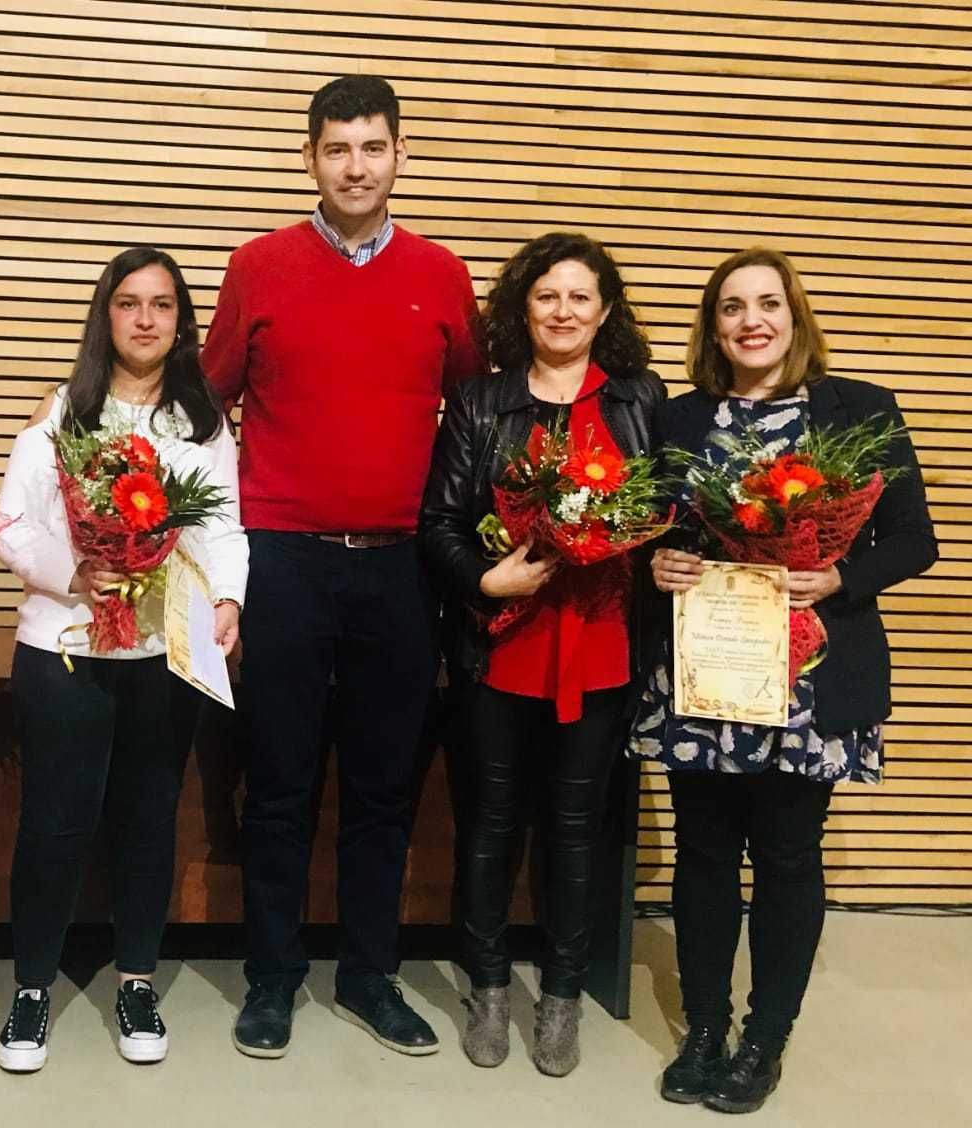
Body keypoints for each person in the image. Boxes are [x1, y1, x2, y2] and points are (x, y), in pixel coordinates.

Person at [203, 75, 483, 1058]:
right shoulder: (259, 268)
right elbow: (200, 410)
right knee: (277, 785)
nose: (355, 166)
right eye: (336, 149)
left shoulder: (442, 277)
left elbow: (477, 422)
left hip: (401, 574)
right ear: (310, 158)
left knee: (380, 789)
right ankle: (272, 979)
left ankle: (369, 975)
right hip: (283, 565)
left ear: (399, 153)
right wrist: (69, 410)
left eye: (372, 147)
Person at [634, 247, 937, 1113]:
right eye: (732, 307)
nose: (751, 321)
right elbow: (655, 532)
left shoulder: (861, 410)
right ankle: (703, 1031)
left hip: (809, 679)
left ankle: (763, 1039)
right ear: (713, 326)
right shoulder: (680, 417)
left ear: (796, 316)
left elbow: (916, 540)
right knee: (701, 855)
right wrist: (659, 564)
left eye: (768, 303)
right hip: (706, 673)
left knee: (787, 855)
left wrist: (843, 576)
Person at [0, 246, 246, 1071]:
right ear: (106, 316)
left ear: (181, 321)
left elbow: (225, 527)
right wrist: (76, 573)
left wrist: (230, 600)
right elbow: (10, 526)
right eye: (129, 303)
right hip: (65, 650)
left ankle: (136, 979)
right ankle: (32, 989)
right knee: (54, 825)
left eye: (162, 305)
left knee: (146, 823)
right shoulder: (61, 411)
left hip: (163, 653)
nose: (145, 319)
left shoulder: (203, 423)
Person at [419, 232, 665, 1075]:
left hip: (601, 651)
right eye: (546, 296)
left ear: (604, 311)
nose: (563, 311)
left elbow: (668, 511)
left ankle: (559, 996)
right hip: (502, 648)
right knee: (488, 825)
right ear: (524, 307)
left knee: (574, 829)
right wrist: (484, 582)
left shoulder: (639, 400)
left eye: (580, 297)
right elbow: (439, 521)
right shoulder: (481, 402)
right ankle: (489, 988)